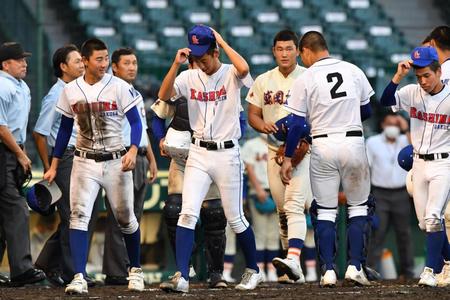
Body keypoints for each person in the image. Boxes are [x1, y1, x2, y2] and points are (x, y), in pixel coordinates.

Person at [157, 24, 261, 293]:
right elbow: (164, 95)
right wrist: (175, 64)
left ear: (215, 52)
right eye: (196, 57)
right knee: (187, 213)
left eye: (204, 56)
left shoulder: (230, 73)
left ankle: (253, 270)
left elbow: (245, 69)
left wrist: (222, 42)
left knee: (235, 218)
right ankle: (182, 276)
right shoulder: (188, 76)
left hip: (227, 153)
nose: (200, 62)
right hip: (199, 152)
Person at [43, 38, 145, 294]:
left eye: (105, 58)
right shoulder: (71, 90)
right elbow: (65, 129)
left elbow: (135, 123)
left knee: (126, 219)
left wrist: (133, 149)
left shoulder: (119, 87)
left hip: (115, 161)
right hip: (84, 161)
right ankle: (78, 275)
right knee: (78, 217)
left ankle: (135, 270)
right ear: (86, 61)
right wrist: (54, 165)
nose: (103, 63)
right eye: (98, 59)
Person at [280, 31, 375, 287]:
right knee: (358, 208)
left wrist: (288, 158)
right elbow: (367, 109)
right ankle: (355, 266)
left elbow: (297, 124)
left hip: (322, 142)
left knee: (326, 211)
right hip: (353, 140)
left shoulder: (307, 76)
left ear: (306, 50)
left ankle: (329, 271)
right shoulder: (353, 69)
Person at [379, 46, 450, 287]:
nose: (423, 81)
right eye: (419, 76)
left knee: (433, 217)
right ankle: (447, 262)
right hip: (418, 163)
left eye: (427, 75)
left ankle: (430, 270)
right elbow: (385, 100)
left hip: (443, 163)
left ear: (439, 71)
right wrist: (398, 76)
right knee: (424, 224)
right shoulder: (412, 92)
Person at [246, 29, 311, 283]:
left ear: (297, 51)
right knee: (282, 210)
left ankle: (297, 258)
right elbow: (253, 113)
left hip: (303, 151)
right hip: (274, 150)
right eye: (280, 49)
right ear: (274, 51)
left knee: (295, 205)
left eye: (289, 49)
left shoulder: (308, 76)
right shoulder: (263, 80)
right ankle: (290, 265)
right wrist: (261, 125)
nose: (284, 54)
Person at [33, 44, 99, 287]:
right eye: (77, 62)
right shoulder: (56, 94)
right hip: (65, 159)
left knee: (81, 213)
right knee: (74, 215)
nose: (82, 64)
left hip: (83, 156)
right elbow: (39, 133)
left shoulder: (77, 90)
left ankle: (48, 263)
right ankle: (74, 273)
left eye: (83, 61)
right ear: (63, 67)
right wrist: (49, 166)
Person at [102, 47, 158, 285]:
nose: (132, 67)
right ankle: (116, 270)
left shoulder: (132, 91)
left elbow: (142, 129)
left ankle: (128, 266)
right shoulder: (110, 90)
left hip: (141, 156)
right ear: (114, 66)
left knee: (134, 215)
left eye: (134, 63)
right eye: (127, 63)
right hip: (122, 156)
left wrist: (152, 158)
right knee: (119, 216)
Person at [0, 42, 46, 287]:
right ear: (5, 64)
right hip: (4, 152)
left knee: (4, 213)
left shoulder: (21, 86)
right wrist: (19, 153)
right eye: (19, 60)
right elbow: (0, 127)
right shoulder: (1, 84)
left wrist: (21, 152)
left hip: (12, 151)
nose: (25, 63)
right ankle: (22, 270)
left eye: (25, 59)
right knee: (16, 209)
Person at [365, 113, 415, 279]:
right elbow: (366, 168)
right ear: (382, 125)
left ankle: (408, 272)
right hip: (380, 193)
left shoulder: (404, 140)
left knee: (404, 234)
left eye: (396, 124)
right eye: (389, 123)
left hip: (401, 193)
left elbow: (417, 149)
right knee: (377, 234)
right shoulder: (373, 142)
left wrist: (405, 127)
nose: (392, 127)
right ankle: (371, 269)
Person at [241, 134, 280, 282]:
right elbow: (249, 168)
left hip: (275, 191)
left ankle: (271, 270)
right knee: (260, 233)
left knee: (273, 234)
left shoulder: (279, 144)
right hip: (259, 192)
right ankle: (260, 270)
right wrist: (258, 189)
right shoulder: (251, 144)